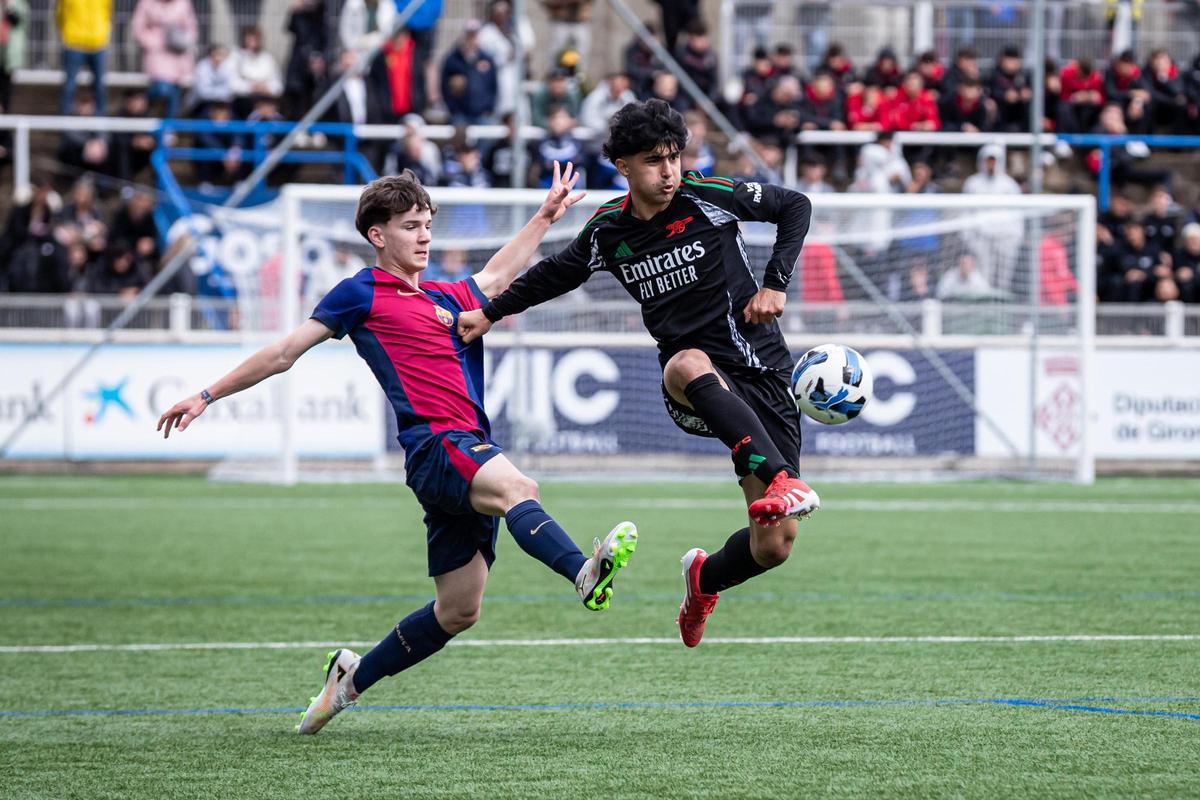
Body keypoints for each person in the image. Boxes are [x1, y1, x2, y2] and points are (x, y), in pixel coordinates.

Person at [155, 166, 638, 735]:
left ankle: (349, 682)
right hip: (437, 444)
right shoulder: (361, 291)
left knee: (458, 610)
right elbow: (286, 351)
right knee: (520, 489)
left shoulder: (443, 293)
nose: (425, 236)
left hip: (465, 448)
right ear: (378, 235)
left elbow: (497, 276)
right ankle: (584, 573)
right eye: (412, 226)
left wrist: (544, 216)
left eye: (428, 225)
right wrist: (208, 394)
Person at [456, 100, 819, 649]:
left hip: (763, 373)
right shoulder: (609, 231)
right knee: (687, 361)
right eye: (654, 160)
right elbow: (556, 274)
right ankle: (780, 480)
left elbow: (795, 205)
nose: (669, 170)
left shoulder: (708, 198)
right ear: (623, 166)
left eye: (674, 157)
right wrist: (488, 313)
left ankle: (703, 579)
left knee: (775, 546)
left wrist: (776, 282)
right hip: (691, 381)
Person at [131, 0, 197, 120]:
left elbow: (191, 28)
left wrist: (182, 41)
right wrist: (152, 41)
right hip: (156, 54)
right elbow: (138, 28)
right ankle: (141, 103)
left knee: (174, 91)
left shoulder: (183, 3)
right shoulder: (147, 3)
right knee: (164, 89)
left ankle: (168, 128)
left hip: (177, 54)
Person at [57, 0, 111, 116]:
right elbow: (60, 14)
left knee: (100, 86)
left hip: (97, 42)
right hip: (74, 42)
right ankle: (66, 124)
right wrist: (66, 33)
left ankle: (100, 126)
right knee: (69, 86)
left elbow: (107, 13)